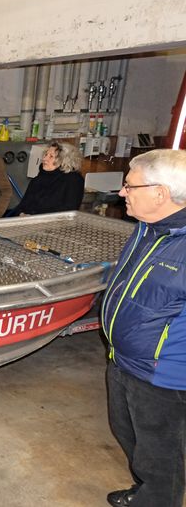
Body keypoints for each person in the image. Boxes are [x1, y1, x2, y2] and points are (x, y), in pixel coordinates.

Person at [100, 149, 186, 507]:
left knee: (159, 454)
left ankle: (158, 499)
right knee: (129, 435)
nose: (122, 192)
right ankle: (146, 491)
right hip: (122, 358)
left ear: (160, 193)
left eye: (130, 186)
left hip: (161, 374)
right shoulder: (147, 230)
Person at [12, 141, 84, 215]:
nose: (44, 159)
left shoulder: (73, 180)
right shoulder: (38, 179)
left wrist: (34, 217)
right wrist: (21, 214)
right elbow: (22, 205)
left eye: (51, 156)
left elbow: (69, 210)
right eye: (46, 155)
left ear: (63, 161)